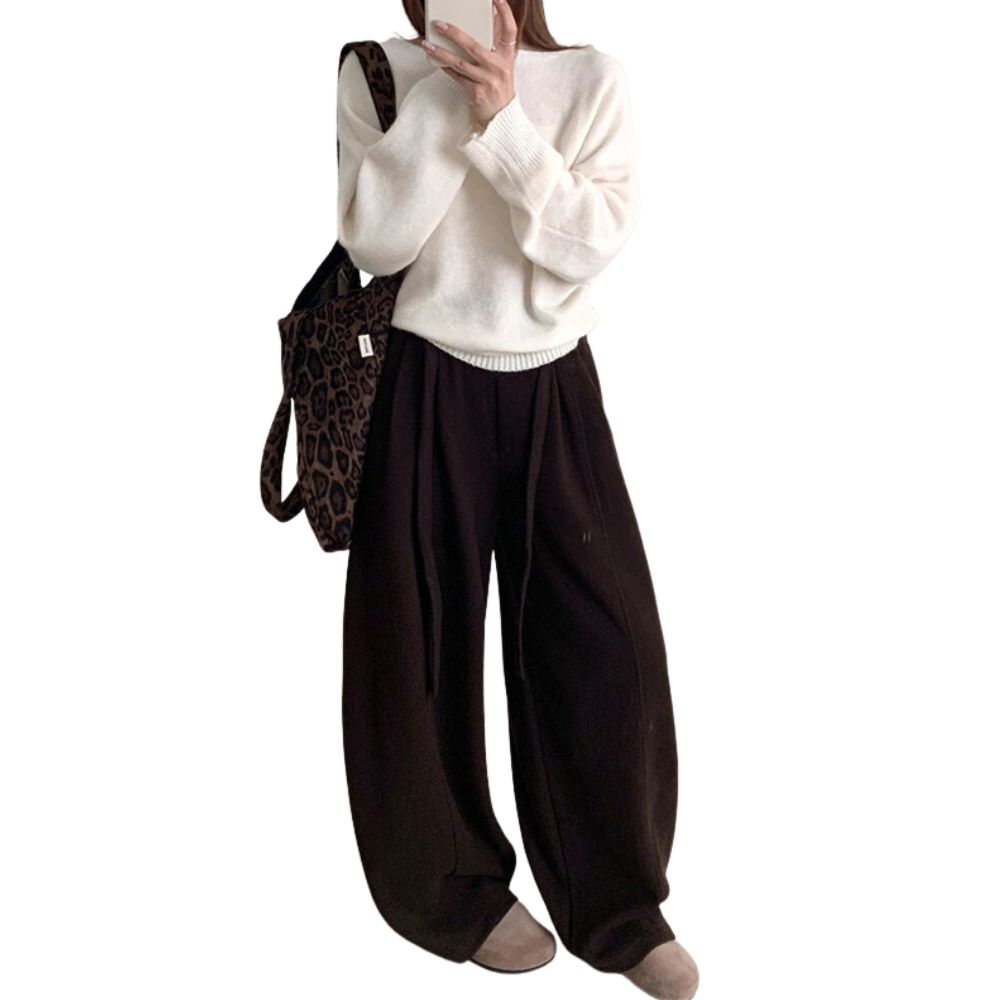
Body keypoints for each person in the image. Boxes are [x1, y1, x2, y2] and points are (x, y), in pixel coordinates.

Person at [337, 2, 699, 997]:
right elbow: (377, 243)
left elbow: (585, 243)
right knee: (416, 652)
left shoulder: (592, 79)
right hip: (422, 379)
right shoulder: (376, 73)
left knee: (606, 650)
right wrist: (447, 99)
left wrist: (503, 116)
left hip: (553, 383)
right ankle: (452, 890)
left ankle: (618, 907)